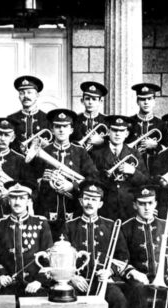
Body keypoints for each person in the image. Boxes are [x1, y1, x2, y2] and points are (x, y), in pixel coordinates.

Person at [62, 180, 131, 308]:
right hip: (77, 282)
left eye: (95, 199)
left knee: (119, 300)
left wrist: (109, 271)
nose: (90, 203)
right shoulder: (69, 226)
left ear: (101, 203)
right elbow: (60, 256)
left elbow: (123, 256)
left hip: (102, 283)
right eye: (87, 198)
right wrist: (72, 276)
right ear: (81, 201)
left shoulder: (111, 226)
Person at [31, 108, 99, 238]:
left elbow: (93, 178)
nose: (61, 130)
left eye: (65, 126)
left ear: (71, 130)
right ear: (52, 129)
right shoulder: (44, 151)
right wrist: (42, 181)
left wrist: (72, 186)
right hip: (47, 210)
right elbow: (32, 181)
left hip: (73, 210)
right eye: (57, 126)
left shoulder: (80, 152)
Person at [0, 180, 53, 297]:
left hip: (35, 287)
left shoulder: (41, 223)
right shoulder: (0, 225)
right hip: (8, 286)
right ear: (8, 201)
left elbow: (49, 256)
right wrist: (1, 275)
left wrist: (39, 281)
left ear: (29, 201)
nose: (17, 202)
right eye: (14, 198)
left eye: (22, 198)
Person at [90, 115, 149, 221]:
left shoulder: (135, 154)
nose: (117, 134)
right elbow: (92, 180)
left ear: (126, 133)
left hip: (129, 208)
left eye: (121, 131)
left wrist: (133, 172)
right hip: (105, 208)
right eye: (114, 130)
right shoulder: (96, 154)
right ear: (108, 131)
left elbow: (146, 181)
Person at [7, 75, 50, 152]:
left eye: (29, 92)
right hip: (18, 161)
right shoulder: (11, 119)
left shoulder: (47, 118)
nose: (25, 96)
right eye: (22, 93)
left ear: (37, 96)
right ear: (19, 96)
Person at [128, 83, 168, 165]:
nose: (146, 102)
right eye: (142, 99)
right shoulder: (129, 122)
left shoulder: (162, 124)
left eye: (149, 99)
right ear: (137, 102)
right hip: (134, 167)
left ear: (154, 102)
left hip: (155, 168)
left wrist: (156, 146)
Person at [72, 81, 108, 150]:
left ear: (100, 102)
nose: (90, 102)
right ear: (82, 101)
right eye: (87, 99)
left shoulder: (106, 121)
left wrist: (102, 142)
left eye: (94, 99)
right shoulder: (74, 120)